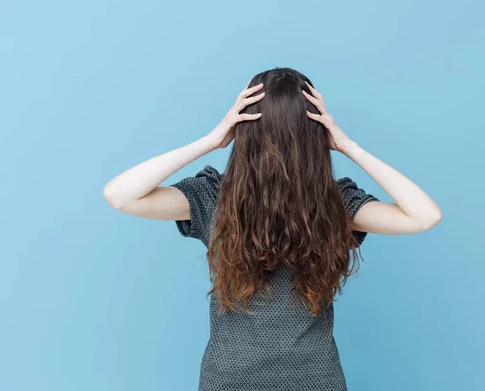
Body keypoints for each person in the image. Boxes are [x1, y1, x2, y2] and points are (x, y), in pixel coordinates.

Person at [103, 67, 442, 391]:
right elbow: (121, 195)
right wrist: (346, 145)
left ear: (243, 132)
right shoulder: (220, 198)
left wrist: (211, 140)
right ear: (316, 136)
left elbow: (424, 216)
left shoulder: (329, 202)